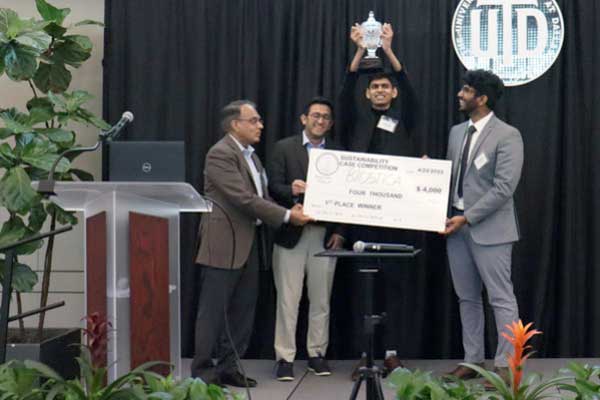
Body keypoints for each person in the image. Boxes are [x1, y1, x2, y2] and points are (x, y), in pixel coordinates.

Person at [191, 100, 312, 387]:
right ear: (235, 124)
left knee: (242, 313)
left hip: (250, 244)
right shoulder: (220, 154)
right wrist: (286, 216)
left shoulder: (252, 156)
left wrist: (289, 210)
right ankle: (204, 374)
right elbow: (243, 199)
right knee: (213, 313)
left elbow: (262, 196)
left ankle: (229, 368)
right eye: (254, 120)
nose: (260, 125)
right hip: (223, 244)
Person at [338, 22, 419, 379]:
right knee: (362, 290)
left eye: (386, 87)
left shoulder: (406, 120)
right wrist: (359, 51)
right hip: (363, 221)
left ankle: (391, 354)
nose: (381, 91)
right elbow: (344, 94)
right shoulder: (355, 121)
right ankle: (365, 355)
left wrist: (387, 50)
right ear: (368, 94)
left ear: (393, 93)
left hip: (400, 222)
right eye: (375, 87)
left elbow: (412, 92)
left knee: (398, 291)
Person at [441, 70, 523, 388]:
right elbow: (450, 177)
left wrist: (468, 216)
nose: (460, 94)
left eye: (466, 89)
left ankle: (507, 367)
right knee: (467, 298)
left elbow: (504, 188)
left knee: (501, 298)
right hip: (456, 227)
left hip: (490, 230)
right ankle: (473, 360)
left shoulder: (507, 135)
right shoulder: (455, 132)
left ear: (482, 98)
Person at [267, 97, 346, 381]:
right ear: (304, 119)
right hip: (291, 234)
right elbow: (271, 187)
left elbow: (347, 197)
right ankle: (285, 358)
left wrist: (340, 231)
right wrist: (291, 189)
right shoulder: (284, 148)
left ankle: (316, 354)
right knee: (288, 299)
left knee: (321, 299)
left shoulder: (338, 152)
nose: (320, 120)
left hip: (325, 235)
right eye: (315, 115)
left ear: (331, 123)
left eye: (326, 117)